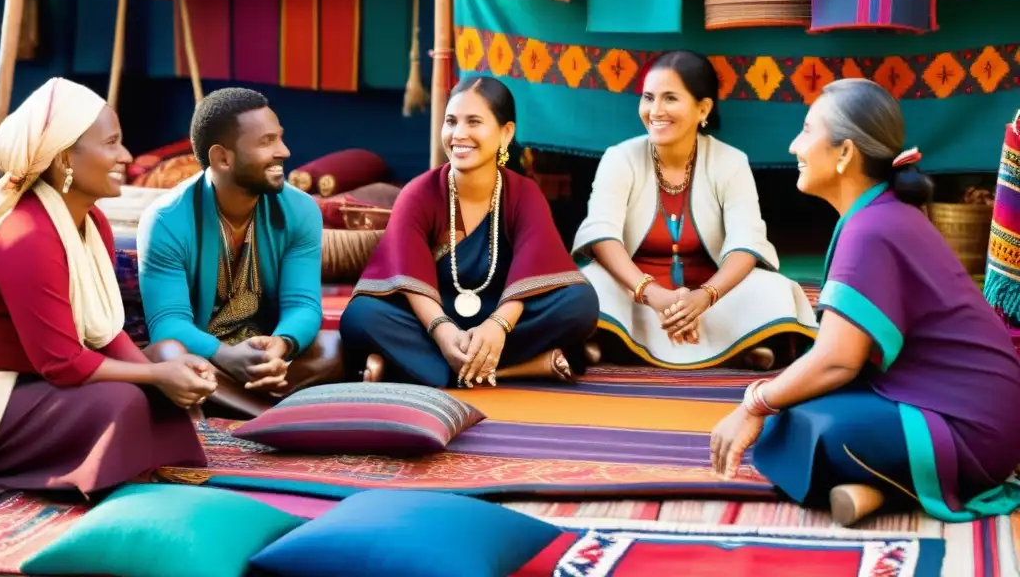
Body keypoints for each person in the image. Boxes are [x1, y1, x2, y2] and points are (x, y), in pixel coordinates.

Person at [710, 78, 1020, 526]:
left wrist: (753, 403)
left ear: (844, 154)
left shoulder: (873, 227)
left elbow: (838, 361)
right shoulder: (879, 213)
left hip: (970, 431)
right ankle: (870, 492)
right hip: (968, 415)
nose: (795, 145)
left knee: (803, 426)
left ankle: (903, 486)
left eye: (807, 130)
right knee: (794, 411)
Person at [0, 78, 211, 495]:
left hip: (40, 382)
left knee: (164, 366)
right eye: (111, 143)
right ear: (63, 160)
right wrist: (154, 378)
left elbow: (105, 333)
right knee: (123, 400)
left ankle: (133, 455)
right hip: (6, 391)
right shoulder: (25, 235)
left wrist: (162, 374)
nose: (126, 157)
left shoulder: (92, 222)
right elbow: (62, 363)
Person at [340, 76, 599, 387]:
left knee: (581, 303)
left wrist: (496, 326)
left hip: (503, 317)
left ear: (506, 133)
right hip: (433, 319)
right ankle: (512, 367)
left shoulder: (524, 194)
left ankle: (426, 369)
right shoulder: (419, 193)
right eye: (451, 121)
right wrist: (443, 330)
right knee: (361, 314)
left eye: (474, 122)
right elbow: (405, 276)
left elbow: (534, 270)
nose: (459, 134)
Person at [573, 51, 817, 370]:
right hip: (636, 298)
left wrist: (705, 296)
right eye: (648, 98)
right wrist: (652, 293)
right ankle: (738, 349)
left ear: (703, 108)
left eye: (670, 98)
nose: (655, 111)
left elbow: (748, 241)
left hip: (710, 301)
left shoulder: (731, 161)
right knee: (587, 285)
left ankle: (613, 346)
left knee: (775, 289)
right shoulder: (620, 158)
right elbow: (602, 235)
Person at [138, 87, 343, 418]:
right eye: (266, 142)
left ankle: (241, 403)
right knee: (168, 355)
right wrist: (225, 355)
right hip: (204, 355)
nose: (284, 151)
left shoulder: (301, 210)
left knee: (332, 349)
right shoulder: (166, 220)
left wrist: (281, 346)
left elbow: (302, 305)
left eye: (280, 138)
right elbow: (168, 323)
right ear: (222, 158)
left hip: (265, 353)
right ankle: (280, 412)